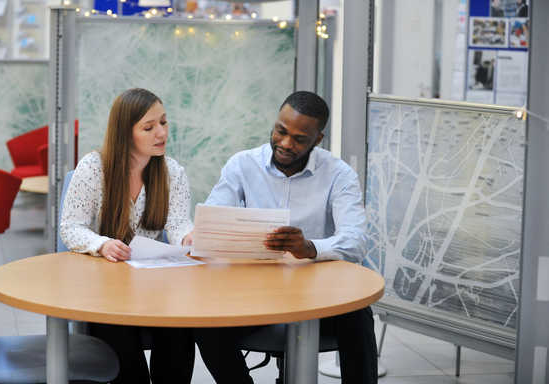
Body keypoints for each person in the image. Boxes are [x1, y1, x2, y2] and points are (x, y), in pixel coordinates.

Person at [193, 91, 377, 384]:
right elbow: (212, 218)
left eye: (300, 139)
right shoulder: (242, 165)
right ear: (275, 123)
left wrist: (309, 248)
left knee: (359, 317)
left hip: (318, 291)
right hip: (253, 289)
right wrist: (207, 236)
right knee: (205, 324)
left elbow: (355, 241)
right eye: (281, 131)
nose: (286, 143)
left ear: (318, 140)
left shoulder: (338, 174)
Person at [60, 88, 195, 383]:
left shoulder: (172, 172)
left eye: (163, 122)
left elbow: (178, 223)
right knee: (117, 334)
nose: (161, 133)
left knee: (181, 326)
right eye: (149, 127)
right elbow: (70, 227)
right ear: (125, 132)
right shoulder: (95, 168)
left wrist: (187, 237)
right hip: (104, 287)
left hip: (152, 285)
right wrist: (102, 243)